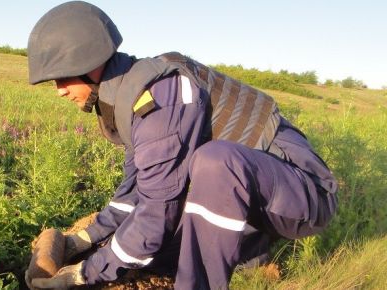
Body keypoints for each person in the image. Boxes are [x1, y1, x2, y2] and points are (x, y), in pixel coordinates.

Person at [25, 1, 338, 289]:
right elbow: (135, 190)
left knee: (215, 163)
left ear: (89, 63)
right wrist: (82, 240)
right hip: (254, 194)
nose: (60, 91)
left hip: (304, 194)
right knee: (153, 255)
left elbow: (155, 217)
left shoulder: (161, 97)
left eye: (62, 78)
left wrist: (82, 275)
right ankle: (253, 258)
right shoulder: (131, 97)